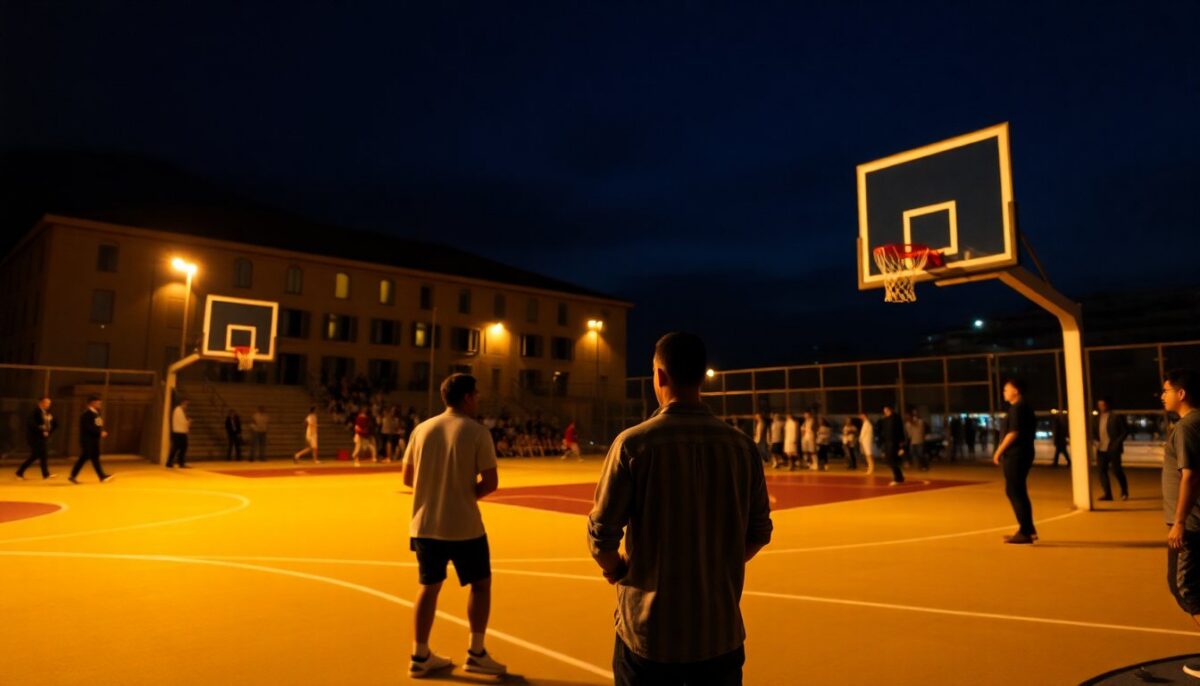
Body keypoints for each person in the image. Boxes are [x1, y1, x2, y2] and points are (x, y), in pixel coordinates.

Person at [588, 332, 772, 686]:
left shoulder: (634, 444)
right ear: (703, 376)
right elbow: (759, 532)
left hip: (650, 634)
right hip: (720, 633)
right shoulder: (741, 446)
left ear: (660, 376)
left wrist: (619, 569)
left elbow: (601, 537)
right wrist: (718, 564)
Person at [403, 373, 505, 678]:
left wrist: (435, 491)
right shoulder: (476, 432)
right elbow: (490, 482)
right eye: (476, 395)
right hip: (464, 526)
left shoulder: (422, 429)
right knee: (481, 584)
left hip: (425, 524)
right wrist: (462, 494)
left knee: (428, 588)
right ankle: (476, 652)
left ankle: (420, 654)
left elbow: (408, 478)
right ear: (467, 397)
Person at [1161, 369, 1200, 681]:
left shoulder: (1186, 427)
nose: (1163, 395)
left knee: (1185, 587)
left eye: (1166, 390)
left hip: (1192, 523)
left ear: (1181, 393)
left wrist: (1178, 522)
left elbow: (1190, 475)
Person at [993, 378, 1037, 544]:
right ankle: (1028, 529)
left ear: (1015, 391)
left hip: (1016, 455)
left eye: (1006, 389)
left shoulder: (1018, 408)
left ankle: (1025, 531)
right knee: (1017, 490)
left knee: (1014, 491)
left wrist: (998, 451)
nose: (1004, 392)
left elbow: (1013, 432)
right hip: (1022, 453)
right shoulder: (1022, 407)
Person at [69, 395, 113, 484]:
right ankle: (73, 475)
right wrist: (99, 432)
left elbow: (96, 425)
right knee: (84, 457)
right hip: (87, 440)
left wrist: (100, 432)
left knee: (95, 458)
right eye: (98, 403)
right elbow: (87, 427)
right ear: (92, 403)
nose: (100, 405)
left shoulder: (96, 413)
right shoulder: (86, 414)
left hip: (94, 440)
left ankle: (101, 476)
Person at [1093, 397, 1129, 501]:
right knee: (1102, 471)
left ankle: (1124, 491)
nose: (1101, 407)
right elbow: (1093, 431)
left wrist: (1117, 443)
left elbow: (1124, 431)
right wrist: (1095, 440)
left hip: (1113, 449)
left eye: (1103, 405)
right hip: (1101, 449)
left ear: (1108, 405)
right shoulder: (1096, 418)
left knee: (1117, 471)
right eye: (1099, 405)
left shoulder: (1116, 417)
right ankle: (1107, 494)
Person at [16, 396, 57, 480]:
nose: (48, 404)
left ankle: (45, 475)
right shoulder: (35, 412)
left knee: (43, 455)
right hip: (34, 437)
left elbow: (55, 423)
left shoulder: (47, 413)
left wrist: (49, 430)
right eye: (46, 403)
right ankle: (19, 472)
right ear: (40, 403)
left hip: (42, 438)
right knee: (36, 455)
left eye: (49, 403)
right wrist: (42, 430)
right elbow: (31, 424)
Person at [879, 404, 906, 485]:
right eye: (884, 410)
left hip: (894, 442)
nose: (885, 411)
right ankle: (899, 477)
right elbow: (883, 432)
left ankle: (897, 478)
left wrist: (901, 444)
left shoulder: (896, 418)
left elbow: (900, 430)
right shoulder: (885, 420)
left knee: (892, 460)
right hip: (887, 442)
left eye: (887, 410)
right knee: (889, 460)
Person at [167, 399, 190, 469]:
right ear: (182, 403)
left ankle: (176, 462)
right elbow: (182, 422)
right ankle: (175, 462)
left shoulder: (179, 411)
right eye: (186, 404)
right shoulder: (178, 410)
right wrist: (188, 422)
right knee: (179, 447)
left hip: (180, 432)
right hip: (179, 432)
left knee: (179, 447)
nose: (187, 406)